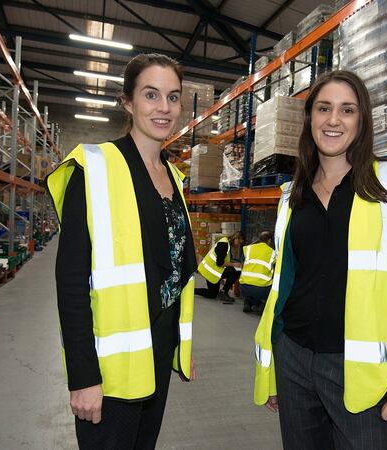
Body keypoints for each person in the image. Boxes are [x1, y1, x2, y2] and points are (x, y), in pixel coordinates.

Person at [253, 70, 387, 449]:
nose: (334, 120)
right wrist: (273, 367)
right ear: (310, 119)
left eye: (347, 110)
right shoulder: (291, 196)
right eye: (324, 108)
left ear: (361, 120)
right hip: (294, 359)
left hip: (361, 371)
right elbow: (284, 285)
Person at [48, 53, 197, 450]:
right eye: (151, 95)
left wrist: (180, 348)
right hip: (110, 372)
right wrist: (82, 377)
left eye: (173, 97)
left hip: (157, 353)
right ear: (127, 102)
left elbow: (173, 272)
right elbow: (72, 281)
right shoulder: (94, 168)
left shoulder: (174, 179)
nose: (163, 108)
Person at [196, 231, 244, 304]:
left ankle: (223, 292)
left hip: (214, 270)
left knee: (235, 271)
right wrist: (234, 264)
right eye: (239, 242)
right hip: (211, 271)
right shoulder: (224, 244)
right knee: (212, 294)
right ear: (236, 238)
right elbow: (220, 263)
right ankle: (192, 291)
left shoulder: (227, 243)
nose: (239, 245)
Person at [239, 231, 275, 313]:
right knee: (273, 283)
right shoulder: (272, 253)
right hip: (262, 289)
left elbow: (242, 265)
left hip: (244, 287)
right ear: (269, 240)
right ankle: (262, 304)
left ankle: (247, 301)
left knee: (252, 291)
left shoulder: (248, 248)